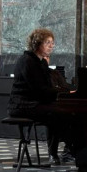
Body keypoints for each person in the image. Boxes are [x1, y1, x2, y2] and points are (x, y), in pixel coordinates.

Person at [6, 28, 77, 165]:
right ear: (37, 44)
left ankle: (68, 151)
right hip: (22, 105)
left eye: (52, 42)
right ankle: (70, 151)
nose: (52, 45)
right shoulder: (27, 61)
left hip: (33, 103)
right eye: (48, 42)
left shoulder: (39, 62)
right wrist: (64, 94)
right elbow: (39, 90)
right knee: (59, 114)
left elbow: (47, 87)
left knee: (65, 113)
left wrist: (64, 92)